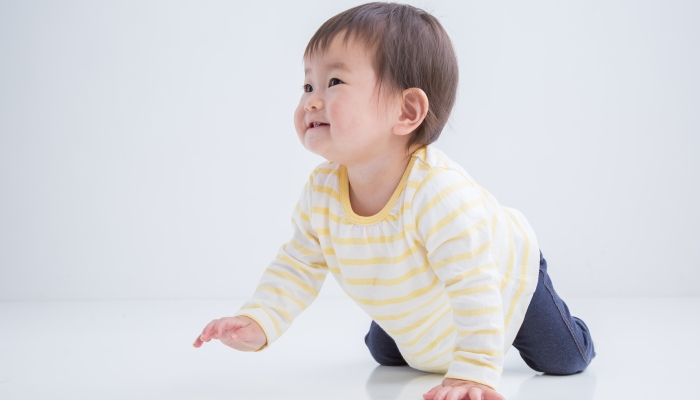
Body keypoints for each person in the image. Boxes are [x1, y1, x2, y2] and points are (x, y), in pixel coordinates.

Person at [192, 3, 595, 399]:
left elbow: (475, 284)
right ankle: (419, 332)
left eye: (334, 83)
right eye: (307, 85)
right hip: (419, 297)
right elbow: (298, 265)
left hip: (501, 275)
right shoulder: (322, 192)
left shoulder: (440, 194)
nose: (311, 101)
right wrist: (258, 320)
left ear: (406, 110)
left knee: (563, 359)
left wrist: (472, 371)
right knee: (386, 354)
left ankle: (570, 334)